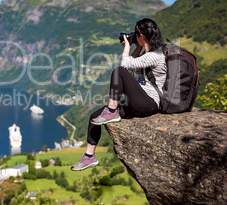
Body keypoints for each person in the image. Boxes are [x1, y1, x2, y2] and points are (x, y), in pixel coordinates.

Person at [71, 18, 166, 171]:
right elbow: (133, 66)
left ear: (141, 36)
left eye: (136, 34)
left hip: (149, 104)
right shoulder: (148, 54)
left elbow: (124, 67)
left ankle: (112, 110)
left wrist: (127, 45)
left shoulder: (155, 55)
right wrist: (136, 46)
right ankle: (89, 157)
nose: (134, 36)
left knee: (118, 71)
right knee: (95, 117)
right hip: (140, 102)